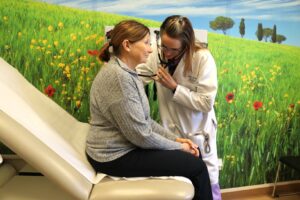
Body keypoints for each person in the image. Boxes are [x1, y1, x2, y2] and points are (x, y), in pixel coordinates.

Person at [85, 19, 213, 200]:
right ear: (127, 45)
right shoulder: (120, 78)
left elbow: (144, 121)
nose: (153, 49)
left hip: (122, 147)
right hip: (113, 155)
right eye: (146, 43)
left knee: (195, 159)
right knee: (197, 167)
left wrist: (176, 139)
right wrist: (180, 146)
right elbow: (141, 135)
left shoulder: (127, 71)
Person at [136, 15, 221, 200]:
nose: (166, 53)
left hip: (197, 131)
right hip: (171, 131)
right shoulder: (157, 56)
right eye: (164, 46)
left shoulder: (202, 59)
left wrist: (175, 88)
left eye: (173, 49)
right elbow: (136, 76)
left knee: (207, 182)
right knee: (177, 186)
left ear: (186, 45)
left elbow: (206, 103)